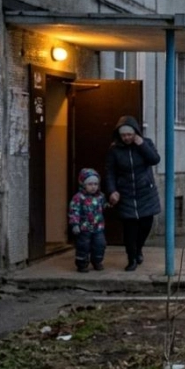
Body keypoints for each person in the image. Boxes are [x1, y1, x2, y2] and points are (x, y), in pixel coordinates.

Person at [104, 115, 161, 272]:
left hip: (145, 192)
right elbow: (110, 172)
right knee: (129, 229)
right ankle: (132, 259)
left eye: (129, 134)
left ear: (135, 133)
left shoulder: (146, 143)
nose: (127, 138)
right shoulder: (115, 150)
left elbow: (155, 159)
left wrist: (141, 145)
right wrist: (112, 190)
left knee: (145, 225)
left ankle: (139, 249)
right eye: (123, 135)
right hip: (126, 193)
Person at [68, 167, 107, 273]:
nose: (93, 187)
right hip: (84, 228)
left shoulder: (100, 197)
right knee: (83, 246)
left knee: (100, 244)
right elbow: (74, 211)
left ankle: (97, 261)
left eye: (95, 184)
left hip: (98, 227)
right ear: (83, 184)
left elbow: (103, 207)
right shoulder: (78, 197)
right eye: (90, 184)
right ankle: (82, 264)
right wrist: (75, 224)